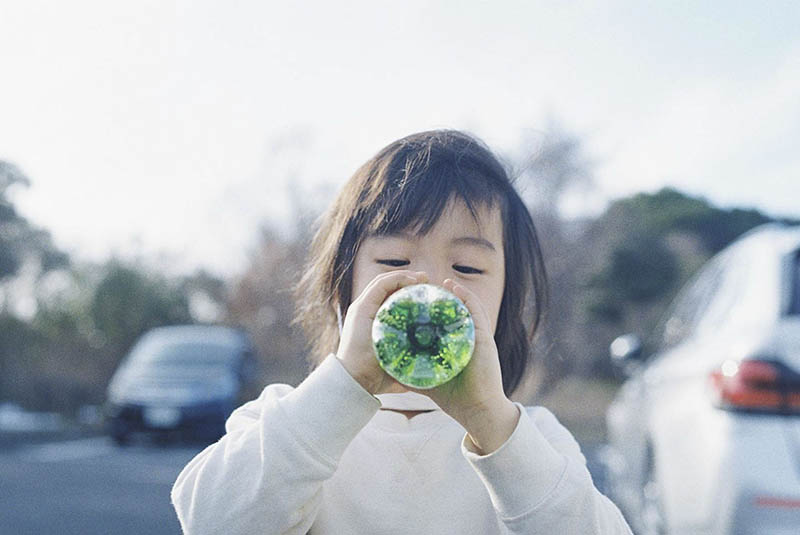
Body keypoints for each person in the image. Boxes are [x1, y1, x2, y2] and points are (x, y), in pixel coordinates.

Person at [171, 130, 633, 534]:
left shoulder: (530, 441)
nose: (428, 287)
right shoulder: (289, 424)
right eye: (394, 261)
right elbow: (210, 521)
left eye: (467, 267)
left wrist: (491, 421)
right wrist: (343, 386)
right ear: (343, 288)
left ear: (504, 305)